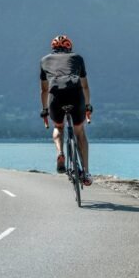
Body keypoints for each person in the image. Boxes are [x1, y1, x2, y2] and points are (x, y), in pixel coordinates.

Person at [39, 34, 93, 185]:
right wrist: (88, 106)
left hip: (55, 97)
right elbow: (85, 86)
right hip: (75, 95)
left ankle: (60, 152)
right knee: (79, 132)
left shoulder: (44, 60)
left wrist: (44, 109)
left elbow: (44, 90)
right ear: (69, 47)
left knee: (58, 126)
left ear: (53, 48)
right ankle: (86, 173)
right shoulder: (77, 58)